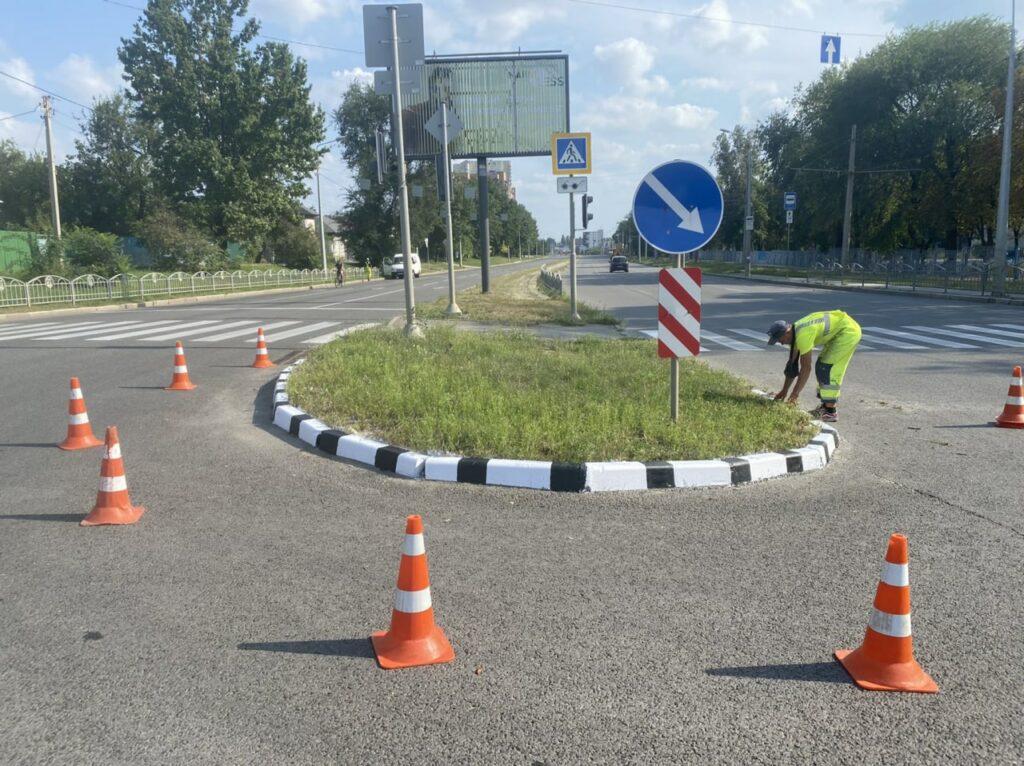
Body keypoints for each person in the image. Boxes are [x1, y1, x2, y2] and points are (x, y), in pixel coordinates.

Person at [766, 310, 862, 422]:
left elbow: (806, 368)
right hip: (839, 332)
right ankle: (825, 407)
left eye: (780, 339)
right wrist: (784, 391)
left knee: (826, 367)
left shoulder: (803, 334)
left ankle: (830, 412)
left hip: (848, 332)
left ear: (787, 332)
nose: (781, 343)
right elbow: (791, 367)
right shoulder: (795, 334)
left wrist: (794, 394)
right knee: (821, 365)